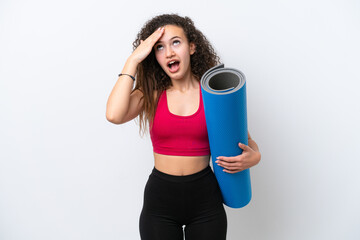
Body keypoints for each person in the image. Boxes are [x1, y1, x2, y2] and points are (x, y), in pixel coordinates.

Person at [106, 13, 261, 240]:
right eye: (159, 47)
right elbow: (113, 114)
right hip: (160, 202)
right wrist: (133, 60)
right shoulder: (150, 94)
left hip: (205, 201)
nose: (168, 52)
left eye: (176, 42)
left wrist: (254, 157)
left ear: (192, 47)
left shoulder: (212, 95)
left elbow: (246, 141)